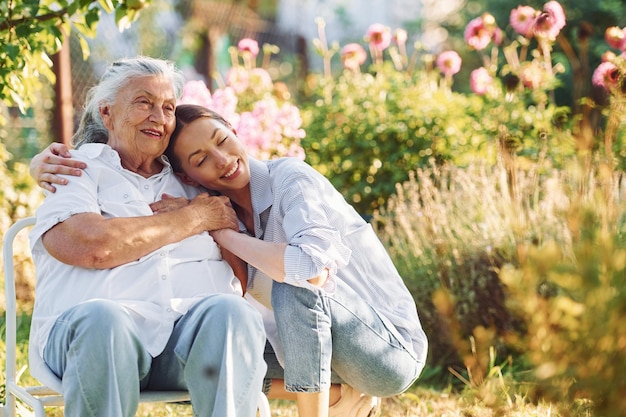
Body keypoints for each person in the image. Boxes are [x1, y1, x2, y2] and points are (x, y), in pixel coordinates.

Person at [32, 107, 428, 417]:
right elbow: (122, 159)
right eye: (201, 159)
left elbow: (312, 268)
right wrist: (42, 163)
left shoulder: (289, 177)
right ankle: (338, 394)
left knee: (293, 286)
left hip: (385, 349)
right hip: (308, 346)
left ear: (234, 129)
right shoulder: (214, 203)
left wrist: (222, 232)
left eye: (222, 140)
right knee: (204, 347)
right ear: (189, 176)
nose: (222, 160)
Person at [27, 57, 266, 417]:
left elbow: (239, 274)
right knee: (102, 319)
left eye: (168, 107)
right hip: (95, 340)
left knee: (232, 311)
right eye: (144, 103)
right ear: (106, 113)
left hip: (184, 345)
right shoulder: (77, 169)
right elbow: (91, 245)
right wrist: (195, 217)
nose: (159, 116)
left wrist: (215, 217)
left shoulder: (189, 176)